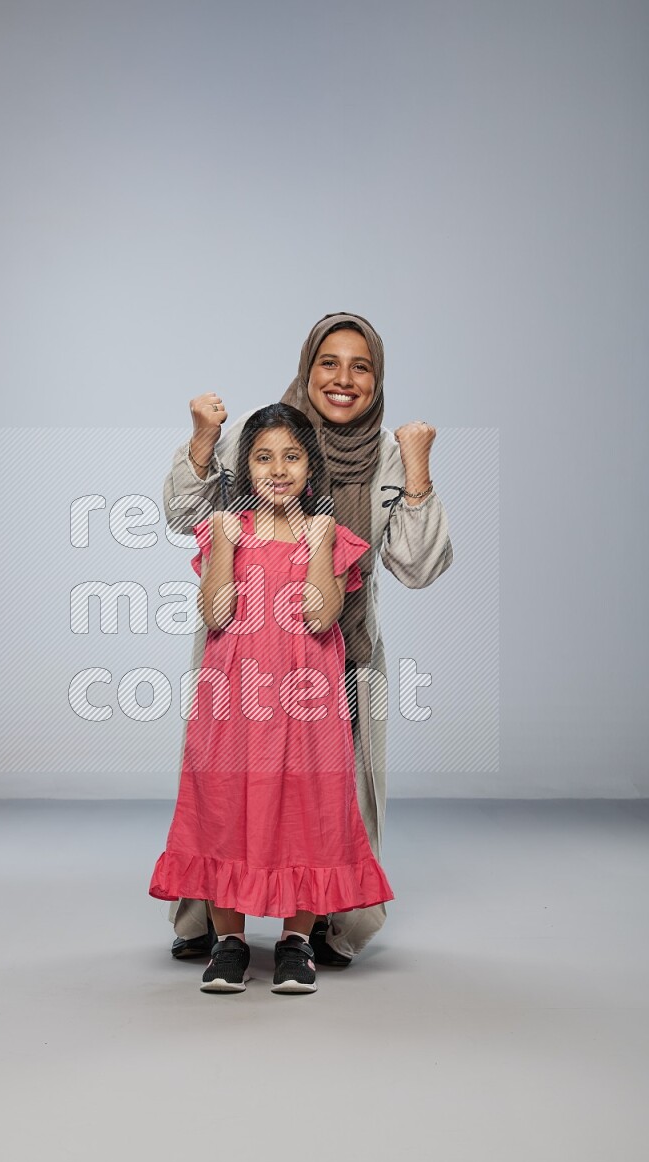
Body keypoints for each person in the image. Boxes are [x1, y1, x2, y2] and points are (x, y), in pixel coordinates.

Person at [162, 312, 453, 966]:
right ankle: (210, 917)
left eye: (361, 366)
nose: (343, 379)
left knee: (331, 794)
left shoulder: (386, 456)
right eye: (329, 362)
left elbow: (418, 565)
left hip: (336, 652)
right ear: (307, 367)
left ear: (377, 380)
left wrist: (418, 472)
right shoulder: (260, 435)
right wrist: (204, 443)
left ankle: (323, 926)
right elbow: (186, 516)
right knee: (226, 785)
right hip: (247, 654)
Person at [149, 404, 395, 994]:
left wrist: (316, 544)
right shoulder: (222, 530)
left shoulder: (331, 536)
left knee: (306, 811)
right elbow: (216, 612)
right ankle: (230, 941)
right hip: (233, 704)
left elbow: (320, 614)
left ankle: (294, 943)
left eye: (291, 457)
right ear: (245, 468)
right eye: (263, 457)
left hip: (304, 706)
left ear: (310, 469)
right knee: (225, 807)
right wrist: (228, 546)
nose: (277, 469)